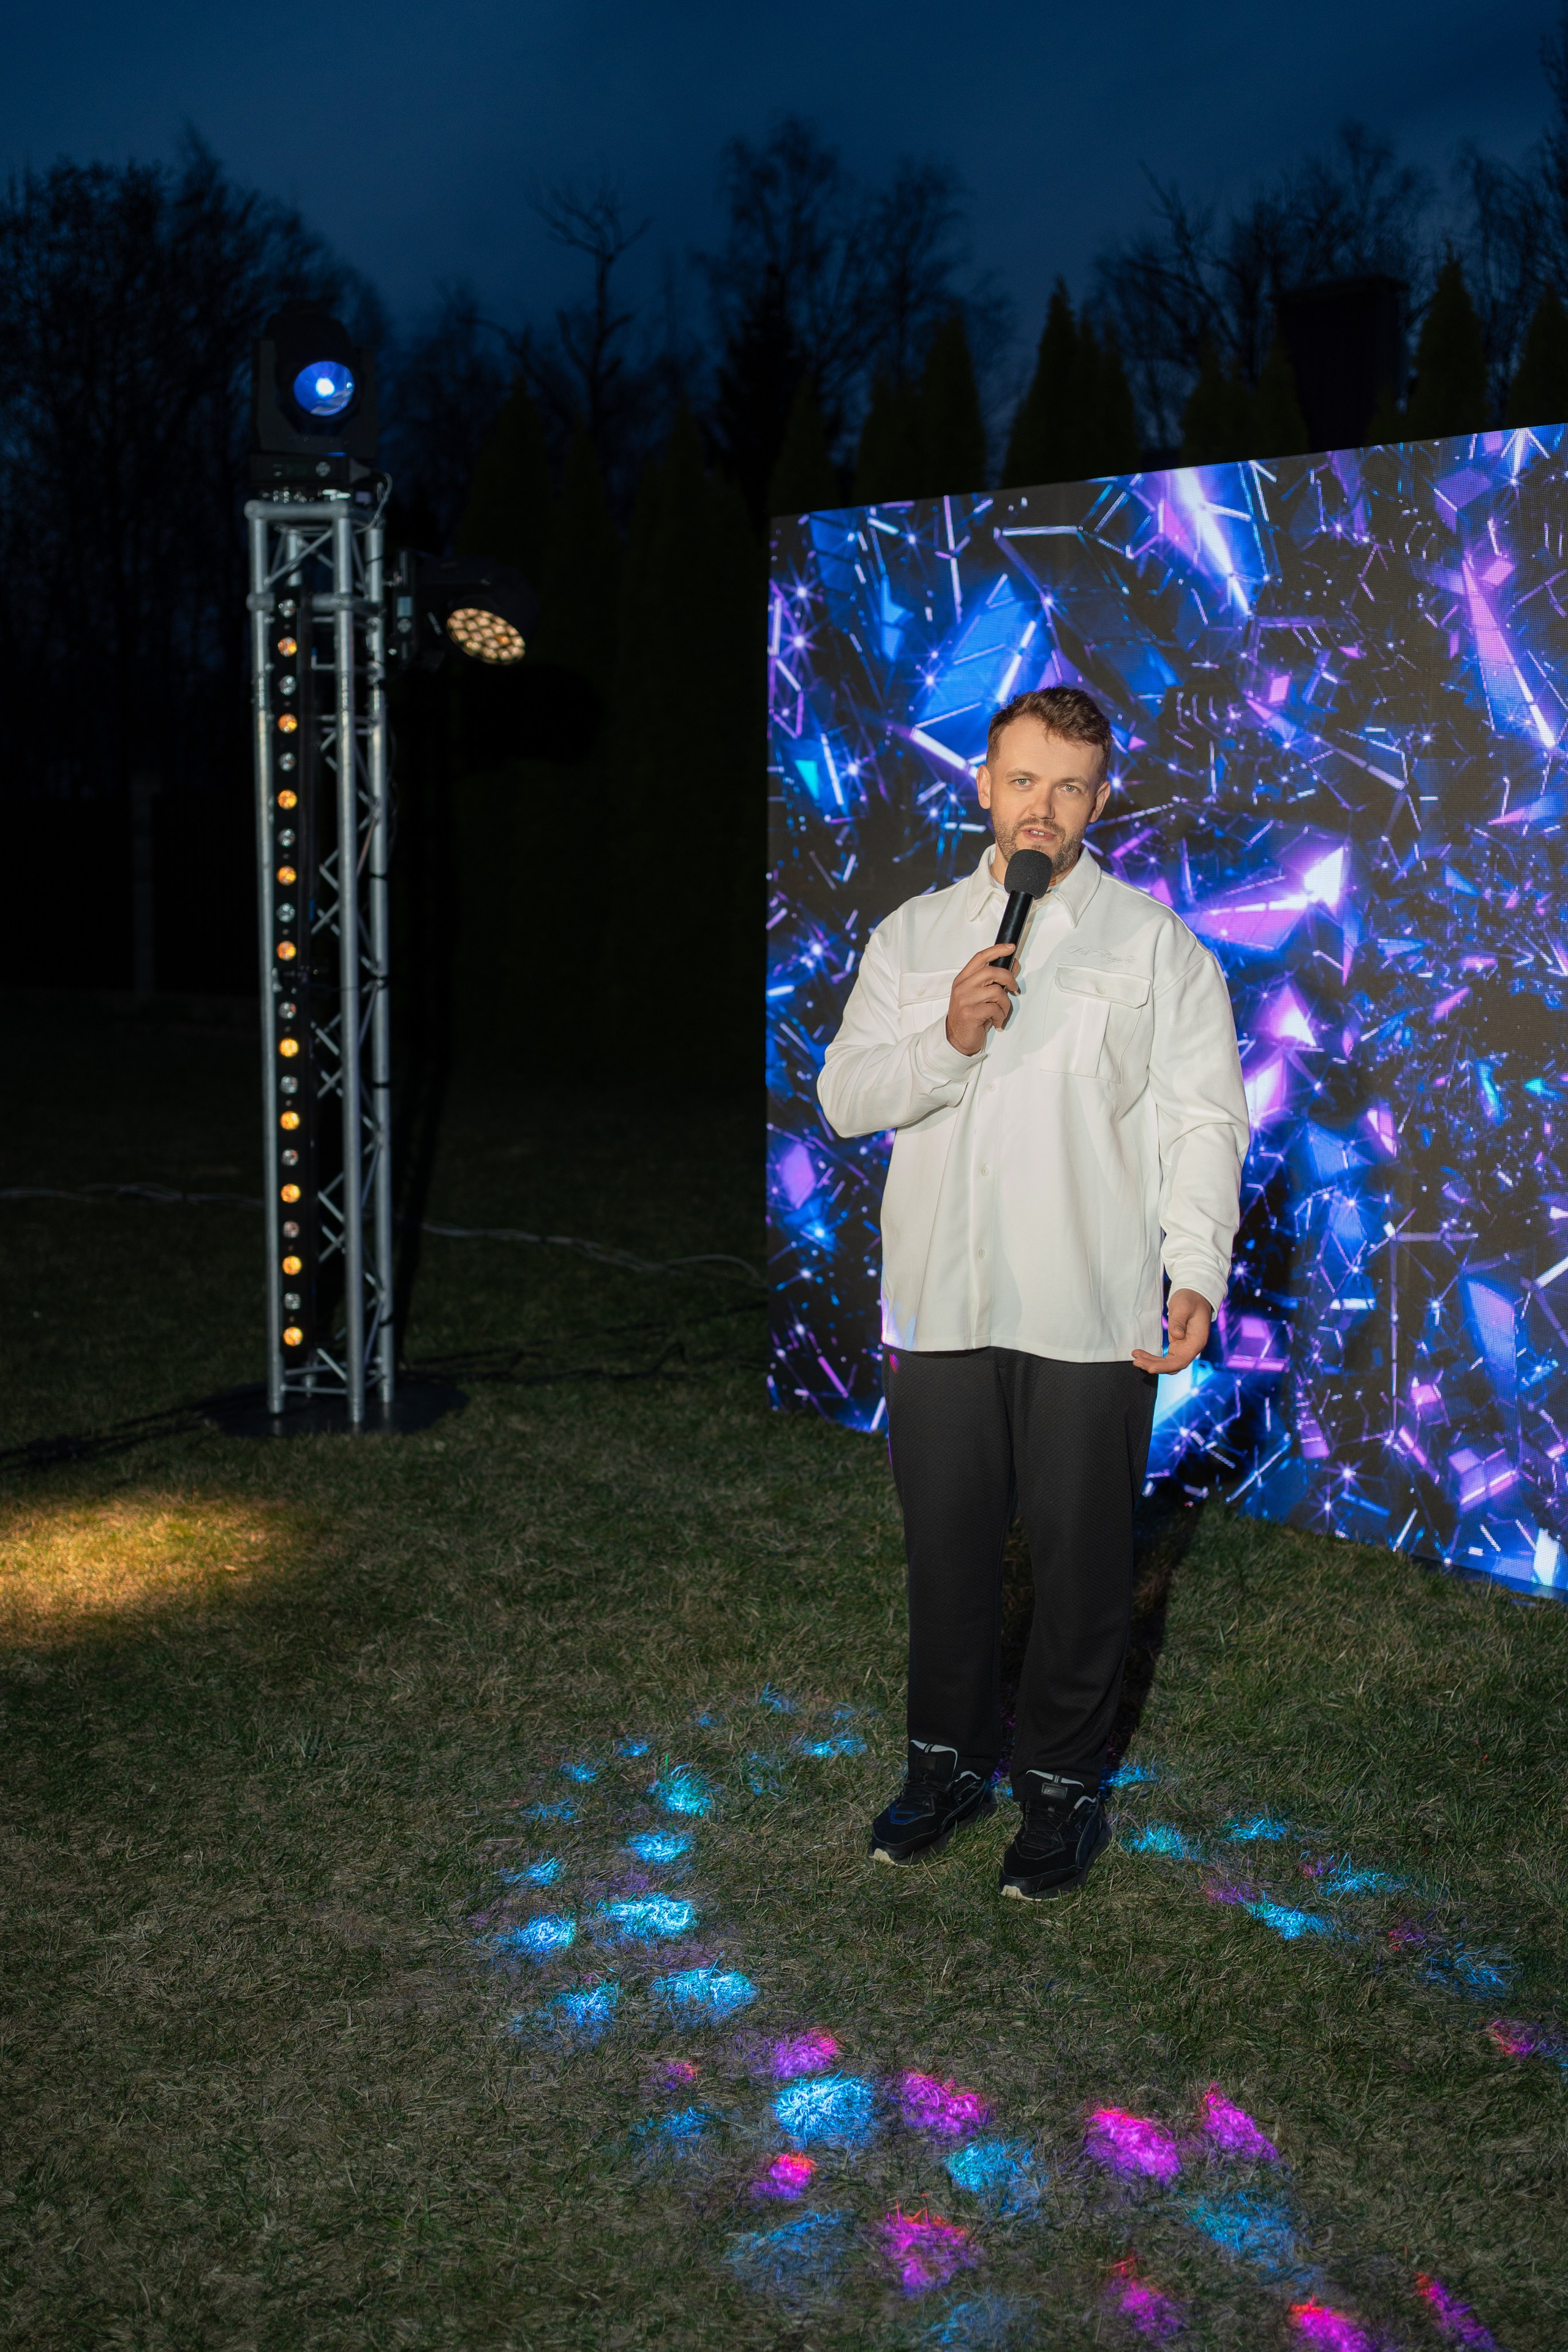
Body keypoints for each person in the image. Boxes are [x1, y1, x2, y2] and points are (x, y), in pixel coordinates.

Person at [817, 684, 1248, 1900]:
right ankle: (945, 1763)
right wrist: (944, 1040)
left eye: (1068, 788)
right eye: (1021, 782)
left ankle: (1058, 1790)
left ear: (1098, 801)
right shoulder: (911, 937)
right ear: (982, 790)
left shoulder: (1153, 945)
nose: (1040, 809)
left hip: (1086, 1305)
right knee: (945, 1555)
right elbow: (842, 1098)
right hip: (940, 1305)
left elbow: (1203, 1122)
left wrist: (1193, 1267)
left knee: (1079, 1563)